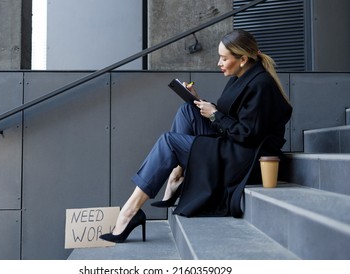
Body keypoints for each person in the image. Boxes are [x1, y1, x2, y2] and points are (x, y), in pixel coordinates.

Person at [100, 29, 292, 243]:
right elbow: (234, 118)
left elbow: (247, 134)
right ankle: (176, 176)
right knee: (187, 110)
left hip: (244, 158)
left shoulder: (261, 85)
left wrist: (216, 114)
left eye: (224, 58)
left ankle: (130, 211)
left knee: (168, 141)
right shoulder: (241, 77)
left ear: (243, 59)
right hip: (232, 144)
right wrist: (199, 102)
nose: (219, 63)